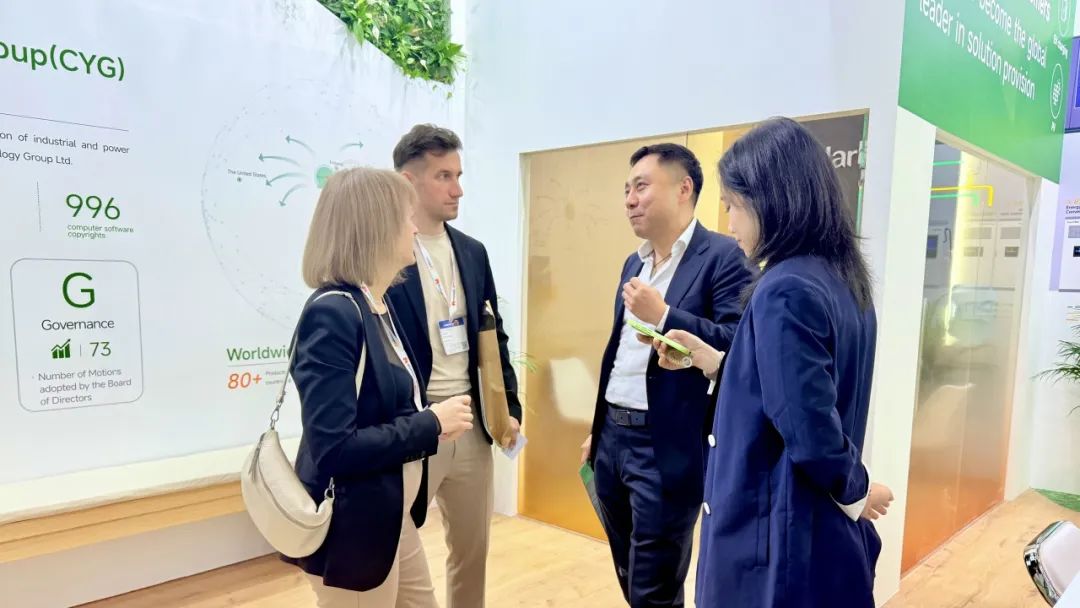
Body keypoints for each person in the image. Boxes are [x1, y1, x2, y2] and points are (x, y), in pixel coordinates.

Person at [679, 117, 886, 606]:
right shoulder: (841, 281)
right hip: (806, 534)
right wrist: (718, 363)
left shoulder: (785, 288)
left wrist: (858, 489)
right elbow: (791, 390)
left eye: (732, 205)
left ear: (770, 199)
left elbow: (809, 426)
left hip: (775, 543)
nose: (729, 224)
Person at [283, 167, 475, 607]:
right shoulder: (334, 314)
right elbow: (335, 448)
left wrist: (430, 424)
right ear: (375, 228)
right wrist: (430, 424)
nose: (414, 228)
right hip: (353, 523)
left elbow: (383, 406)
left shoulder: (375, 305)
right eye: (405, 218)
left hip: (389, 512)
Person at [579, 143, 754, 607]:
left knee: (654, 584)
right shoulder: (634, 262)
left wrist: (664, 315)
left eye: (641, 187)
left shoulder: (723, 256)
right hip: (612, 440)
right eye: (626, 190)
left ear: (683, 188)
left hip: (665, 445)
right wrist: (600, 429)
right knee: (628, 569)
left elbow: (736, 344)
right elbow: (621, 353)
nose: (629, 200)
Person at [386, 124, 521, 608]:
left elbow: (493, 335)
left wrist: (509, 406)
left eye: (458, 175)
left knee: (471, 550)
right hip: (412, 423)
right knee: (392, 550)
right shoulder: (385, 251)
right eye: (444, 176)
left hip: (470, 421)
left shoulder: (471, 251)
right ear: (408, 182)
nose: (457, 189)